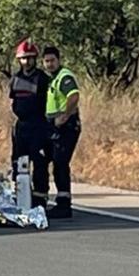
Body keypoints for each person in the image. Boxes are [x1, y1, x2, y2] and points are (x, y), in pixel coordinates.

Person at [8, 39, 50, 209]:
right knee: (18, 162)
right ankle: (21, 195)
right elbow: (12, 101)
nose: (27, 62)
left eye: (30, 58)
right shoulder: (15, 79)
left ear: (35, 59)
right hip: (21, 126)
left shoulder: (42, 78)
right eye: (23, 58)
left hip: (38, 125)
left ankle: (40, 198)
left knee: (39, 163)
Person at [42, 46, 81, 219]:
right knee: (50, 161)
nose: (49, 64)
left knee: (60, 163)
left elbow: (73, 96)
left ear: (58, 60)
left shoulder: (64, 76)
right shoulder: (52, 78)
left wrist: (64, 116)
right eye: (47, 61)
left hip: (66, 126)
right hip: (53, 126)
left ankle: (64, 205)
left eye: (52, 60)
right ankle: (47, 199)